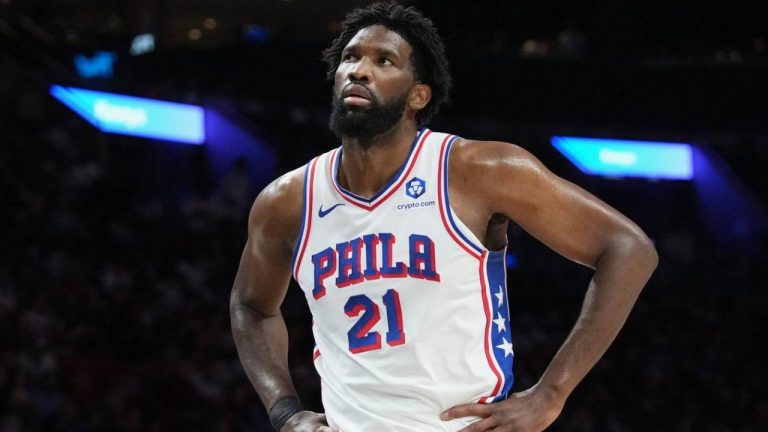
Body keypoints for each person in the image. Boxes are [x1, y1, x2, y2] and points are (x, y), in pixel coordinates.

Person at [229, 2, 658, 431]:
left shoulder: (480, 170)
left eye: (384, 61)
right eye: (350, 57)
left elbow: (629, 249)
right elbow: (251, 305)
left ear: (418, 94)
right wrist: (284, 411)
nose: (359, 70)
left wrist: (551, 393)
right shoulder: (287, 201)